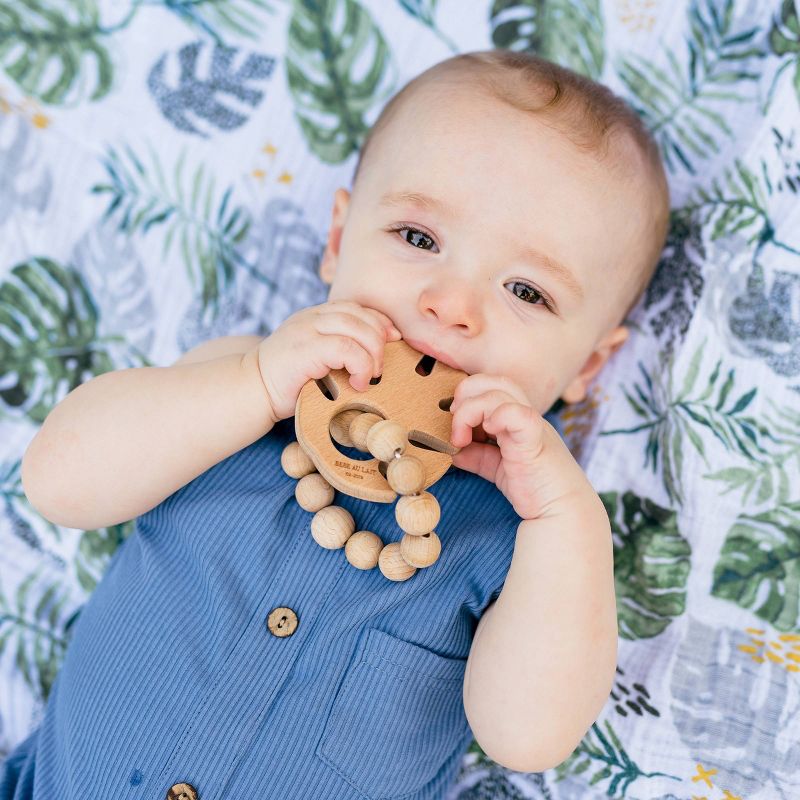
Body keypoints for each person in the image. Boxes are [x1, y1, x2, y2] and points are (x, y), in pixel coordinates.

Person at [3, 50, 670, 799]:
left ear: (588, 365)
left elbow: (527, 737)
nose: (451, 304)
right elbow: (56, 482)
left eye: (527, 290)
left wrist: (562, 516)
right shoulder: (239, 387)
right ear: (337, 240)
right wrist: (252, 384)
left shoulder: (525, 537)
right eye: (419, 239)